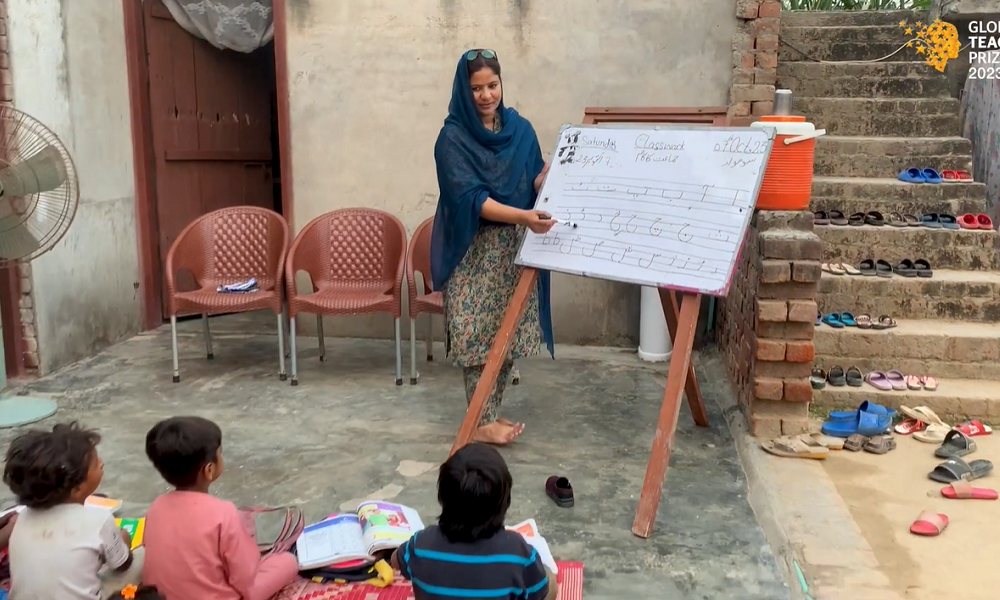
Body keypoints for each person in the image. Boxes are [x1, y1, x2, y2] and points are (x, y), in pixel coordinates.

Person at [431, 48, 556, 446]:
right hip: (473, 250)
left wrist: (553, 178)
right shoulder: (452, 138)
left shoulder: (520, 131)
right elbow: (470, 198)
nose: (486, 95)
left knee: (508, 334)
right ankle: (480, 421)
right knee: (476, 336)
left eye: (492, 85)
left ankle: (487, 413)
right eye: (476, 89)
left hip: (514, 250)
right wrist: (523, 218)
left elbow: (533, 179)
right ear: (462, 92)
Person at [140, 416, 298, 600]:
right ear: (209, 470)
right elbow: (244, 578)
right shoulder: (223, 513)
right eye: (220, 453)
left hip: (161, 596)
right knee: (287, 562)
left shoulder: (156, 506)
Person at [390, 442, 558, 600]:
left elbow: (395, 561)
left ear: (442, 497)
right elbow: (540, 592)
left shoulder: (420, 544)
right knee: (548, 579)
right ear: (505, 502)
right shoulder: (518, 552)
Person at [3, 422, 142, 600]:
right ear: (76, 489)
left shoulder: (22, 518)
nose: (101, 463)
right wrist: (123, 539)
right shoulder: (98, 519)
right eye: (95, 463)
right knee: (143, 556)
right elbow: (123, 564)